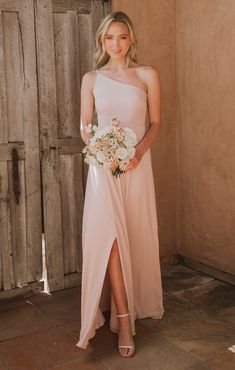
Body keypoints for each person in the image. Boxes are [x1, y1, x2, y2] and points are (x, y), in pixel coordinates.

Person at [76, 10, 164, 357]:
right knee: (109, 239)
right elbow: (86, 127)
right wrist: (100, 151)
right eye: (109, 37)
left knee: (134, 235)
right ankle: (124, 319)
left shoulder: (147, 74)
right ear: (102, 40)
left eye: (122, 37)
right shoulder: (91, 78)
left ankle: (126, 309)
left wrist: (138, 153)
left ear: (131, 39)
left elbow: (155, 122)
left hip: (136, 167)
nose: (115, 44)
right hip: (104, 170)